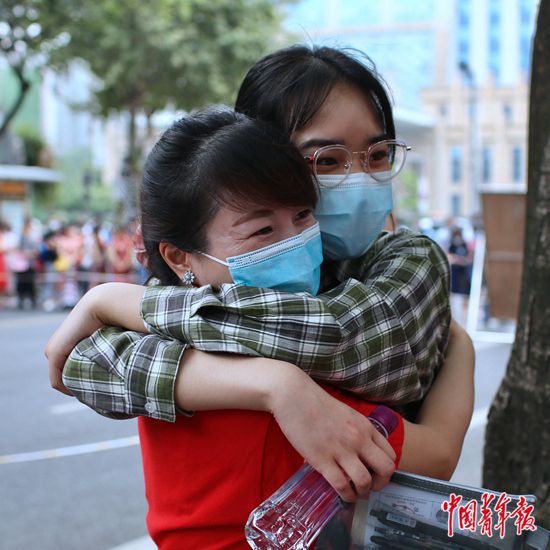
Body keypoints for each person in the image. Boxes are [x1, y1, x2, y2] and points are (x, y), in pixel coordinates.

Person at [48, 107, 473, 549]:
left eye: (304, 215)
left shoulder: (156, 350)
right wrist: (459, 346)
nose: (294, 241)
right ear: (179, 257)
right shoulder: (297, 390)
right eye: (263, 230)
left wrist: (111, 300)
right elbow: (437, 455)